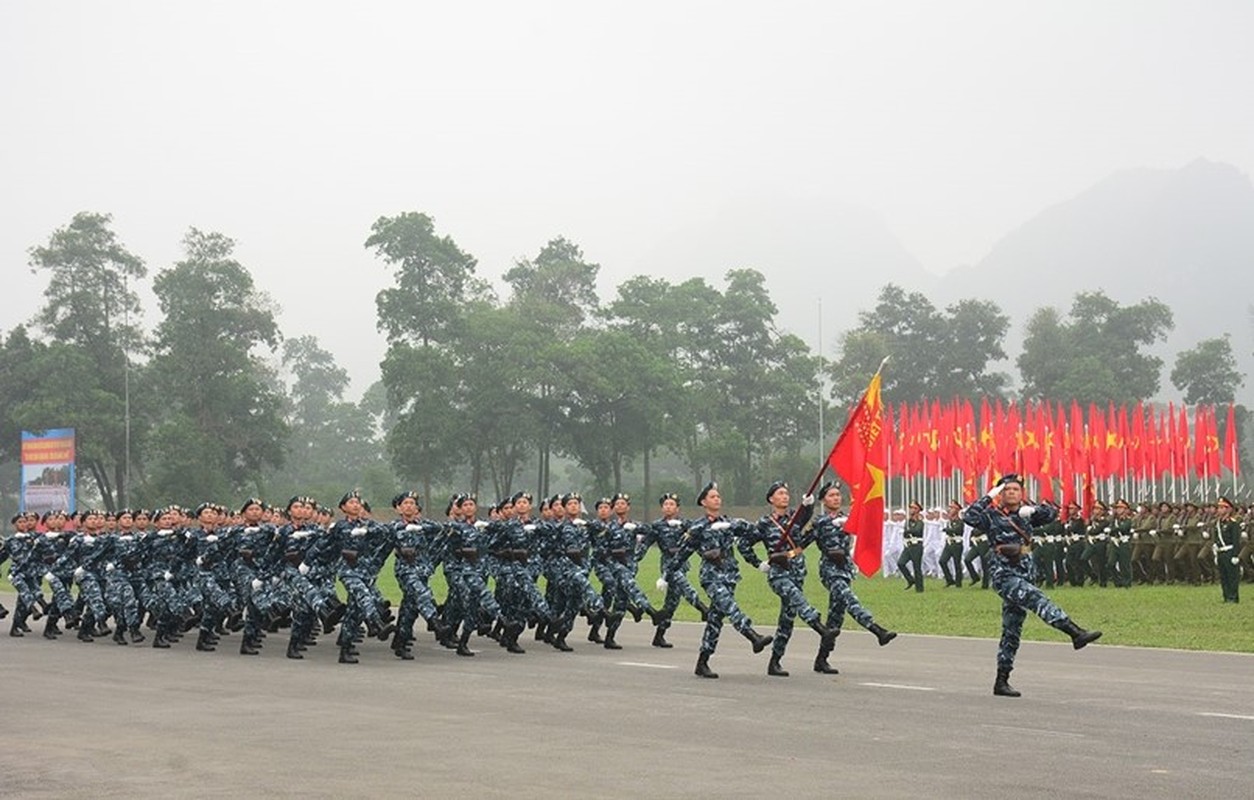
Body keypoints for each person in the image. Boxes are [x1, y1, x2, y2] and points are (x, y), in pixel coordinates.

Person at [962, 474, 1102, 697]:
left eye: (1015, 489)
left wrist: (1034, 510)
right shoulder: (991, 515)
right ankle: (1074, 632)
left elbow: (1052, 514)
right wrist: (991, 494)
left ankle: (1001, 681)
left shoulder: (1026, 514)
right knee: (1036, 598)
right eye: (1006, 489)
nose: (1011, 492)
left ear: (1022, 493)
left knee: (1012, 630)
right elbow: (969, 516)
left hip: (1025, 569)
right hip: (1004, 573)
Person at [675, 482, 773, 679]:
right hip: (711, 577)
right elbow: (681, 553)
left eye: (718, 496)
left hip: (729, 576)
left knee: (715, 620)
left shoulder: (729, 523)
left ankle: (702, 662)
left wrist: (735, 525)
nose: (717, 499)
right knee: (730, 607)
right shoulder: (697, 527)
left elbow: (753, 533)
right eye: (712, 497)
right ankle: (752, 636)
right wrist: (667, 576)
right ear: (703, 502)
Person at [736, 480, 834, 677]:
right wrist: (758, 563)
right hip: (778, 573)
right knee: (797, 599)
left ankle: (775, 661)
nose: (785, 496)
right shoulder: (764, 523)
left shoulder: (794, 517)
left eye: (786, 493)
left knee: (787, 619)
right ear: (771, 499)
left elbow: (804, 518)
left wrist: (808, 505)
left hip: (796, 570)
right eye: (780, 493)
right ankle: (819, 627)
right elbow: (743, 544)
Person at [805, 482, 896, 674]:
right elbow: (801, 541)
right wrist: (806, 509)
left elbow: (865, 529)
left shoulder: (848, 519)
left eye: (838, 495)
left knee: (835, 618)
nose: (836, 498)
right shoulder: (820, 522)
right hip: (830, 570)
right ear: (823, 500)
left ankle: (821, 659)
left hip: (845, 569)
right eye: (831, 495)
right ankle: (876, 629)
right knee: (849, 599)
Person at [1215, 496, 1241, 603]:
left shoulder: (1233, 523)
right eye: (1219, 507)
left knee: (1232, 576)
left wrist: (1235, 555)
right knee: (1224, 576)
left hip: (1230, 552)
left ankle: (1233, 597)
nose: (1219, 510)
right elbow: (1216, 538)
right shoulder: (1218, 523)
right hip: (1221, 551)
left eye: (1222, 507)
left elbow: (1236, 541)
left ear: (1228, 509)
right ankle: (1226, 596)